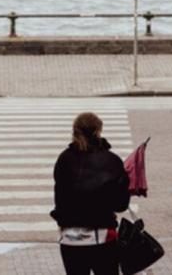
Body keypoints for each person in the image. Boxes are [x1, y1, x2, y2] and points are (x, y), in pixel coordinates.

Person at [51, 112, 130, 275]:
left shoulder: (64, 159)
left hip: (70, 239)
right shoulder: (111, 160)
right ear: (98, 131)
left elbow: (60, 197)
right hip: (102, 238)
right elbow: (121, 204)